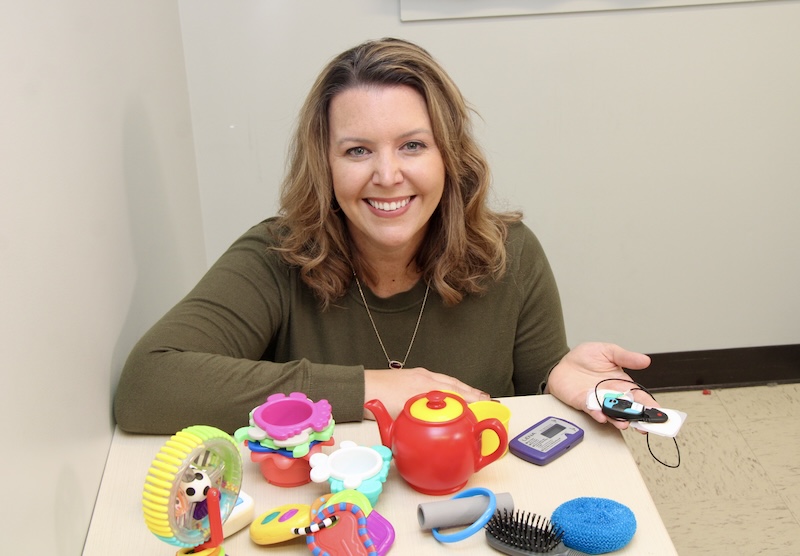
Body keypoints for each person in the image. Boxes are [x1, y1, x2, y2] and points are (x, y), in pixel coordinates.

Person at [114, 37, 654, 435]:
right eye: (357, 150)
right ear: (324, 166)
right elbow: (148, 386)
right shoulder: (275, 256)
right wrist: (378, 388)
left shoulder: (509, 253)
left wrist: (558, 375)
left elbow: (535, 399)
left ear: (448, 155)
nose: (388, 175)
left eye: (413, 145)